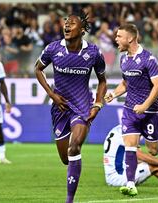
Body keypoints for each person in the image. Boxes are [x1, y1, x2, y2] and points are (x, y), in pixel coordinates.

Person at [34, 12, 107, 203]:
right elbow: (38, 69)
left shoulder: (93, 53)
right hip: (60, 108)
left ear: (82, 30)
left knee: (74, 148)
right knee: (66, 158)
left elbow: (102, 81)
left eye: (72, 23)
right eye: (65, 22)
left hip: (82, 107)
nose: (66, 25)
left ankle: (69, 200)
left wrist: (98, 104)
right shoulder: (53, 49)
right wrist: (52, 95)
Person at [104, 23, 158, 197]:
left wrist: (144, 106)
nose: (116, 39)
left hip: (150, 112)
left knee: (152, 149)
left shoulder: (148, 59)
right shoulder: (123, 59)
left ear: (130, 38)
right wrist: (114, 94)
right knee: (131, 147)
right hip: (130, 110)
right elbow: (126, 83)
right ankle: (130, 185)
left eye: (119, 36)